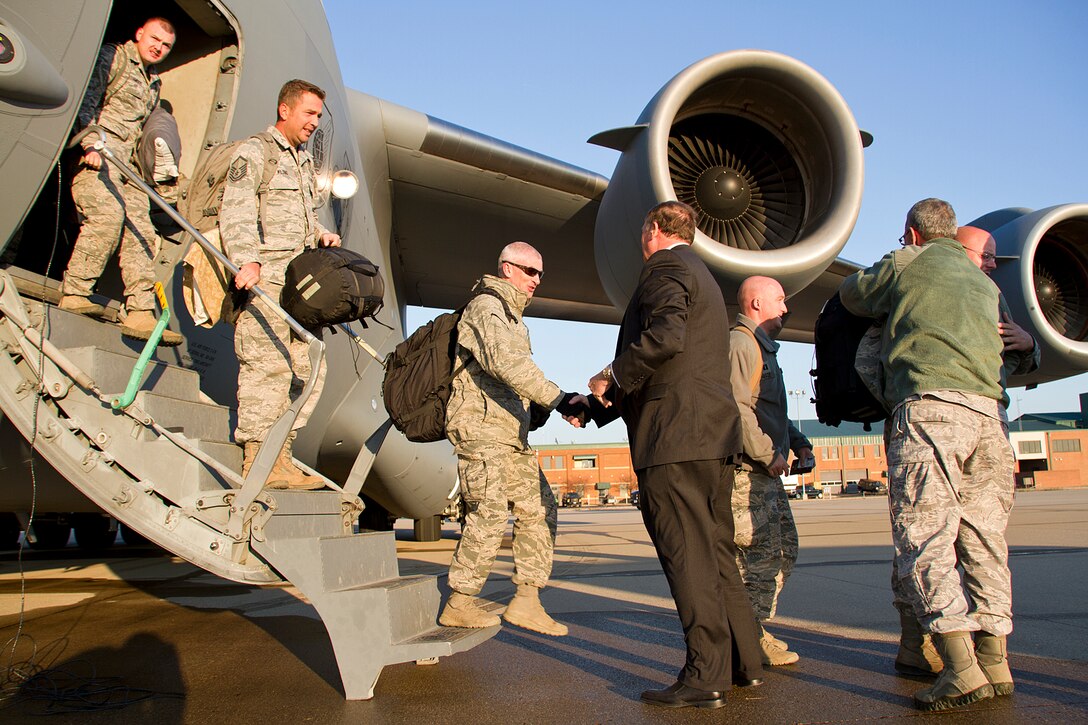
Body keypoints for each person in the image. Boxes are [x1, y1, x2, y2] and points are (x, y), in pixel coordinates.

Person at [581, 201, 763, 709]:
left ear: (654, 230)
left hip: (675, 440)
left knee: (687, 554)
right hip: (709, 435)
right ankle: (743, 663)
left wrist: (610, 377)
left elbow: (663, 338)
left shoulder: (664, 268)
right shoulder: (701, 273)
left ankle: (704, 676)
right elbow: (674, 366)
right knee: (715, 551)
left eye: (643, 229)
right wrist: (597, 408)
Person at [839, 198, 1015, 711]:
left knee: (926, 539)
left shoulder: (908, 262)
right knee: (985, 540)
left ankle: (959, 669)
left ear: (912, 234)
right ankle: (995, 660)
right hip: (989, 419)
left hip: (932, 411)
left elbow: (853, 295)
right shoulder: (984, 282)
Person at [437, 242, 586, 637]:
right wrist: (557, 398)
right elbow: (505, 362)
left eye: (539, 273)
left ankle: (527, 601)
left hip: (509, 432)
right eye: (528, 271)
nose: (535, 280)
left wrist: (537, 406)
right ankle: (460, 602)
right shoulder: (486, 307)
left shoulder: (514, 318)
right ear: (506, 269)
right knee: (487, 513)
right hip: (481, 430)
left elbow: (513, 374)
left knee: (539, 507)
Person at [220, 79, 341, 490]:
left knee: (311, 370)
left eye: (319, 116)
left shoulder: (303, 162)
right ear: (285, 110)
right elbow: (236, 208)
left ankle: (281, 455)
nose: (314, 123)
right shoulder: (255, 152)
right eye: (309, 113)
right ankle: (259, 457)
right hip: (265, 280)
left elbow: (298, 214)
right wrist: (246, 259)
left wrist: (322, 232)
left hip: (300, 286)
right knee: (267, 368)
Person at [60, 17, 182, 345]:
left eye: (166, 46)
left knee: (141, 230)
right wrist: (89, 141)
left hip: (126, 163)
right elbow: (87, 101)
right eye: (154, 39)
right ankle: (75, 290)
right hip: (97, 153)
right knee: (108, 217)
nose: (159, 48)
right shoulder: (112, 57)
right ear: (139, 33)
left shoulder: (154, 82)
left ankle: (141, 311)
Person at [729, 276, 812, 666]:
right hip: (748, 472)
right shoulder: (741, 344)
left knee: (783, 548)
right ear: (756, 303)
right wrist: (767, 453)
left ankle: (751, 627)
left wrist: (799, 443)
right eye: (780, 300)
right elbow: (736, 408)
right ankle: (748, 635)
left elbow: (770, 410)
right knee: (759, 554)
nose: (785, 307)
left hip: (766, 472)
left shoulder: (764, 348)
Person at [956, 225, 1040, 387]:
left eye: (993, 258)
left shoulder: (993, 295)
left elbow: (1010, 360)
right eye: (986, 256)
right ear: (958, 251)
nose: (994, 265)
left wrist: (1029, 344)